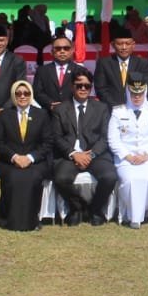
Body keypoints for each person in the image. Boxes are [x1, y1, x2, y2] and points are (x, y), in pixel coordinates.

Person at [50, 71, 117, 226]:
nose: (83, 89)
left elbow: (105, 137)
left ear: (91, 87)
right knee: (60, 179)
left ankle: (95, 209)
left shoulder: (101, 108)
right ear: (72, 86)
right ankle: (77, 208)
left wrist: (91, 154)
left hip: (95, 155)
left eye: (87, 86)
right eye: (79, 85)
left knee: (109, 177)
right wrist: (74, 154)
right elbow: (57, 137)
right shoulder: (60, 109)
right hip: (69, 156)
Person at [106, 76, 148, 229]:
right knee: (129, 180)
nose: (137, 97)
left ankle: (142, 211)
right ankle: (134, 216)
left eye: (140, 93)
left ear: (145, 92)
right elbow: (113, 140)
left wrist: (146, 156)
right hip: (126, 159)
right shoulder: (118, 112)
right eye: (133, 93)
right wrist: (128, 156)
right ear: (128, 92)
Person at [0, 79, 51, 231]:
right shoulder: (5, 115)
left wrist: (30, 158)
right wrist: (15, 157)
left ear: (31, 95)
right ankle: (8, 219)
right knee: (14, 178)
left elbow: (47, 143)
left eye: (26, 93)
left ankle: (32, 220)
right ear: (13, 95)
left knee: (32, 178)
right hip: (10, 162)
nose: (23, 96)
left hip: (35, 162)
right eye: (18, 93)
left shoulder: (42, 115)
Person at [94, 32, 148, 107]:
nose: (124, 47)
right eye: (119, 44)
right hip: (111, 109)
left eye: (127, 44)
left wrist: (133, 105)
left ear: (133, 45)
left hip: (136, 108)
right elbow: (101, 89)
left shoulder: (142, 63)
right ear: (113, 45)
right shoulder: (103, 63)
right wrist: (116, 107)